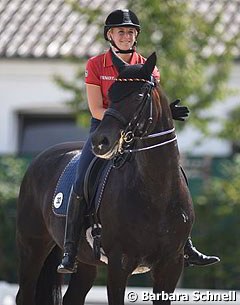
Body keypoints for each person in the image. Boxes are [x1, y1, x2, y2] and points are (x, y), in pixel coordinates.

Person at [57, 9, 220, 273]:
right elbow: (96, 108)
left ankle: (185, 244)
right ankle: (70, 249)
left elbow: (149, 103)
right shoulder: (96, 65)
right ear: (110, 35)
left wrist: (167, 111)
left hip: (138, 133)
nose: (126, 36)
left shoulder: (149, 67)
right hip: (105, 130)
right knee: (82, 178)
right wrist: (117, 124)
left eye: (131, 31)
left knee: (173, 175)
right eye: (121, 31)